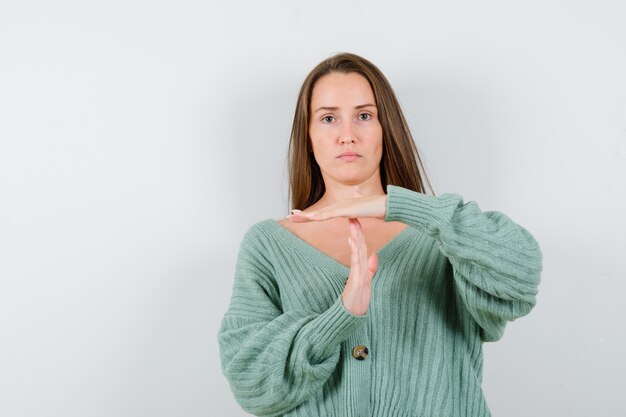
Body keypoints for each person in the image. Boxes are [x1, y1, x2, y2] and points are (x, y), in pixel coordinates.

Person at [217, 52, 543, 417]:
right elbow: (252, 382)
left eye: (364, 116)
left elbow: (520, 276)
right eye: (328, 118)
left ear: (386, 128)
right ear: (308, 138)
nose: (347, 135)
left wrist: (407, 208)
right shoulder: (268, 244)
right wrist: (340, 316)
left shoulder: (445, 235)